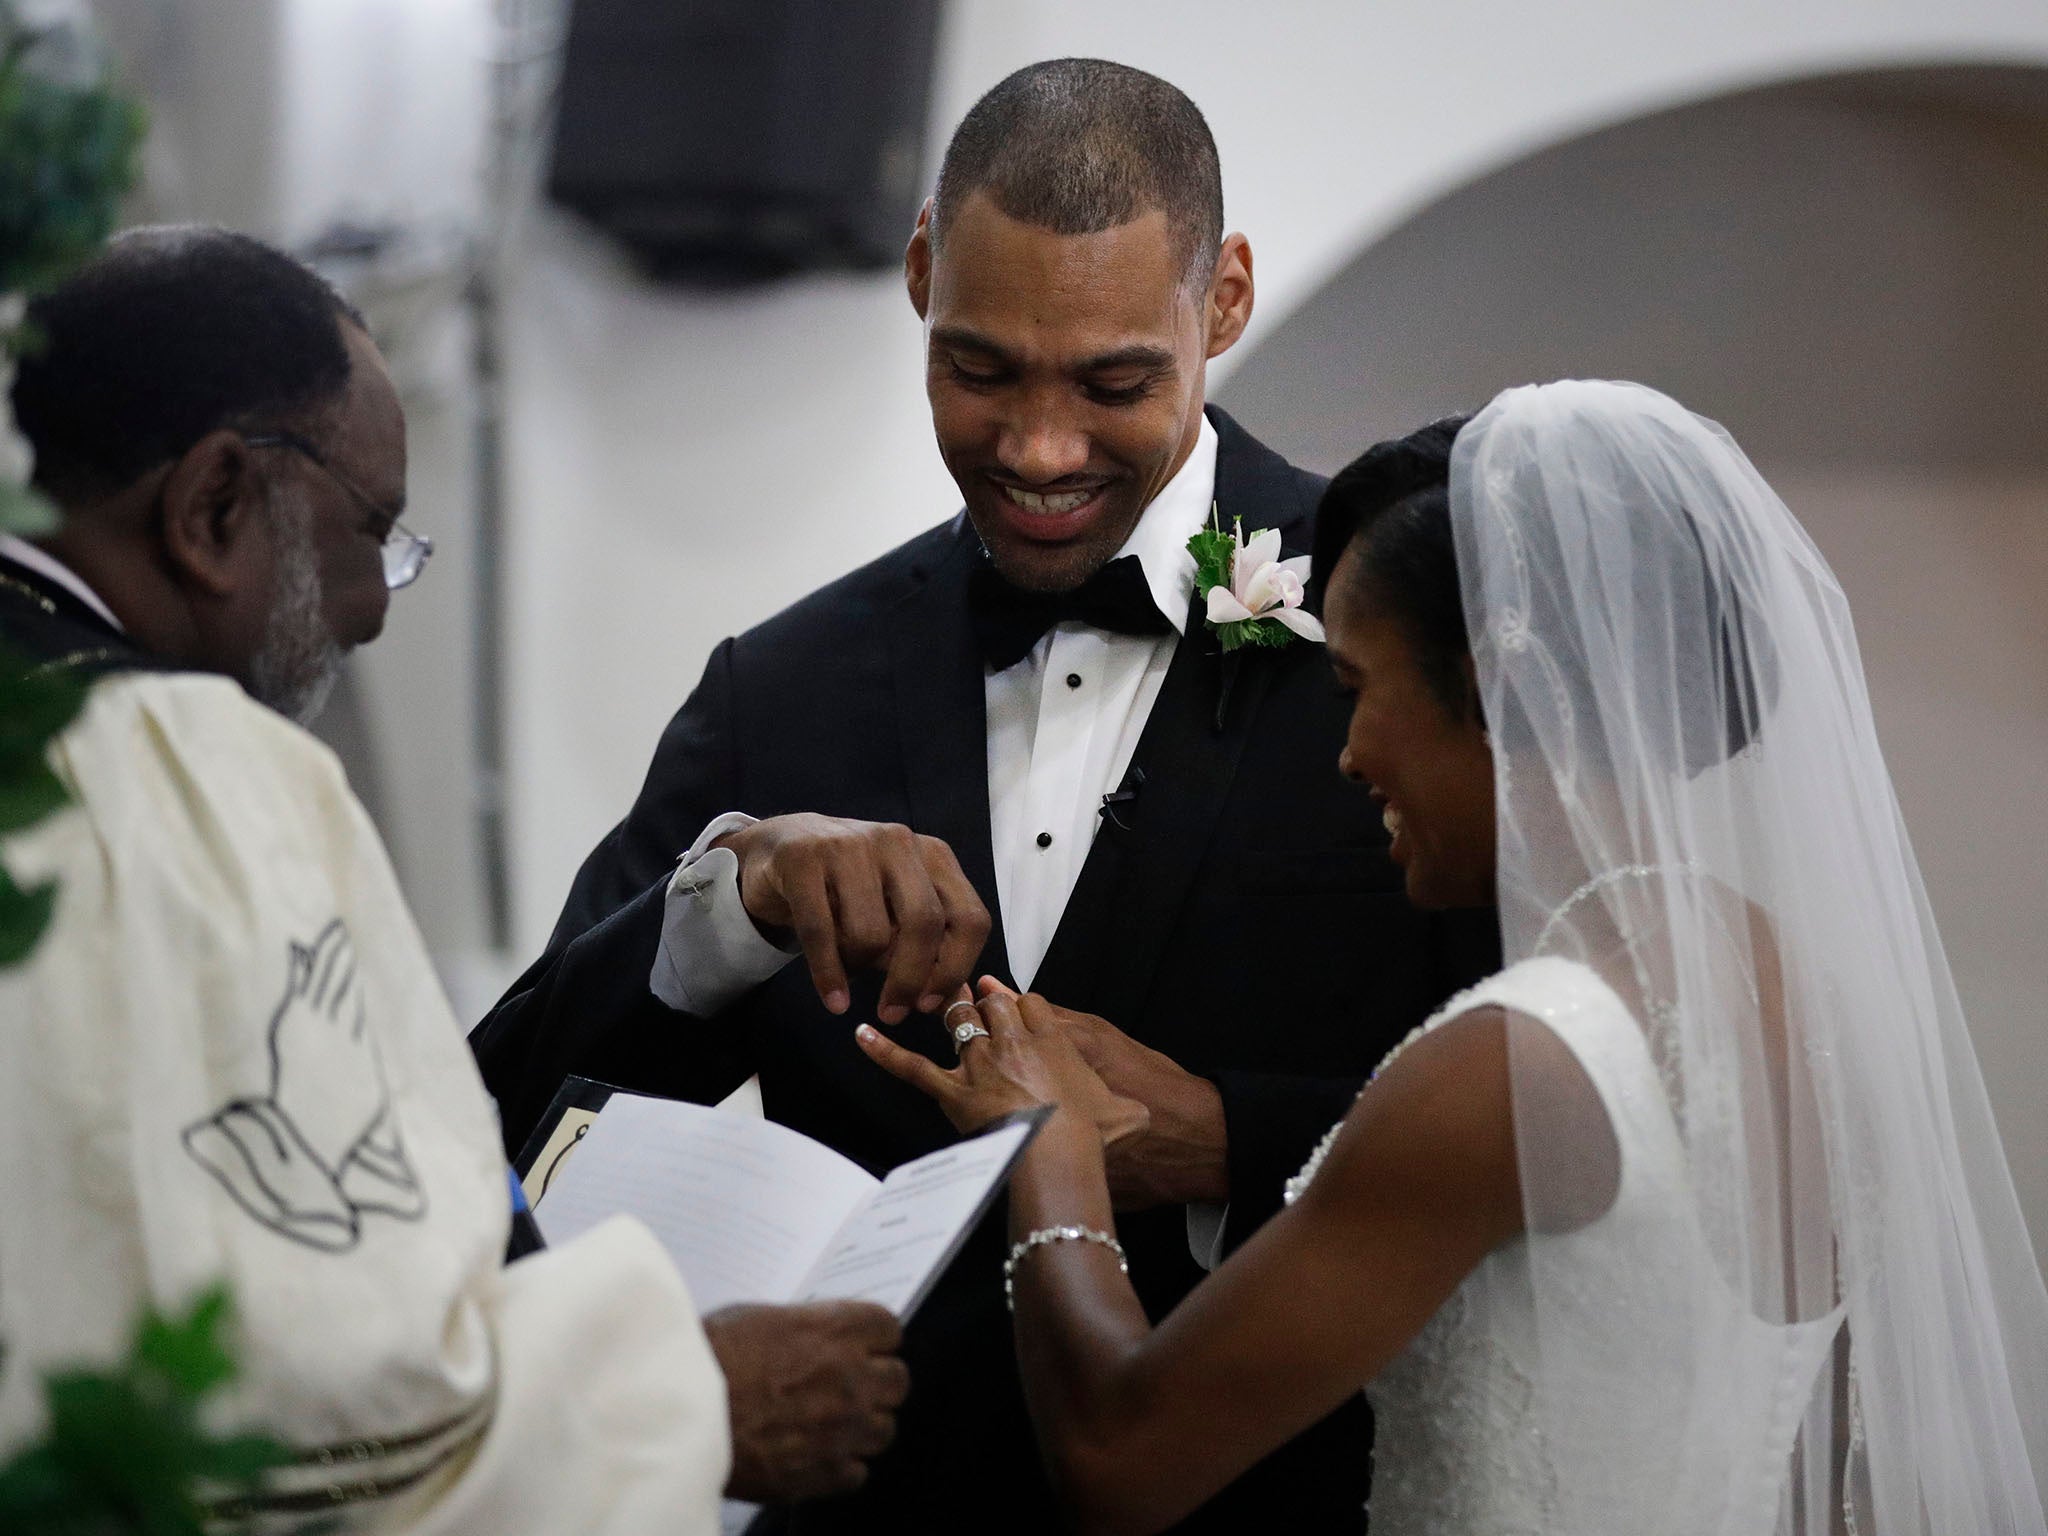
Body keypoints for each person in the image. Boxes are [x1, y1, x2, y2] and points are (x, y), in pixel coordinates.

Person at [471, 57, 1495, 1533]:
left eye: (1114, 382)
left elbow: (1567, 1118)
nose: (1039, 449)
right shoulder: (784, 688)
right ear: (916, 279)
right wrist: (727, 905)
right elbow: (504, 1132)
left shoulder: (1390, 629)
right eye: (981, 368)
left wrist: (1223, 1135)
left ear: (1224, 304)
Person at [860, 381, 2048, 1534]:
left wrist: (1047, 1142)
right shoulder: (1782, 989)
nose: (1345, 753)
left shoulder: (1519, 1064)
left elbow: (1119, 1462)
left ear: (1488, 692)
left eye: (1356, 689)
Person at [0, 226, 908, 1531]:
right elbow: (338, 1389)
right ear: (211, 509)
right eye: (369, 532)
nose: (373, 604)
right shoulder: (190, 777)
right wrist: (678, 1398)